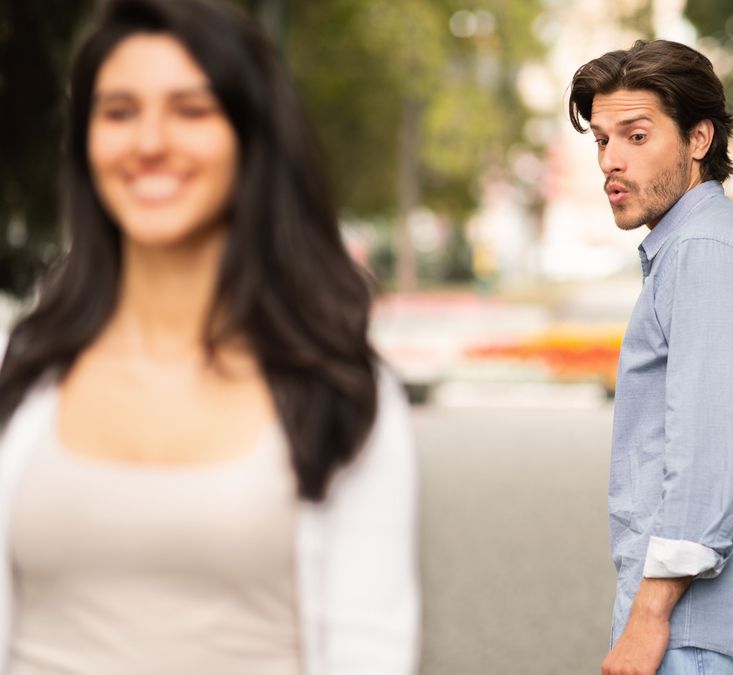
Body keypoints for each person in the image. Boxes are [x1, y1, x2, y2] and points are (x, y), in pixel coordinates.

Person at [0, 1, 419, 673]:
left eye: (191, 109)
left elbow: (368, 649)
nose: (149, 141)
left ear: (251, 138)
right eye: (118, 111)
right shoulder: (21, 373)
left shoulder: (341, 392)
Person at [569, 40, 733, 675]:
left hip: (696, 635)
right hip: (728, 628)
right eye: (602, 140)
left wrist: (648, 617)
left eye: (635, 135)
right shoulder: (723, 243)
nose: (611, 161)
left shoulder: (705, 253)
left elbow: (706, 455)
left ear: (697, 140)